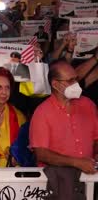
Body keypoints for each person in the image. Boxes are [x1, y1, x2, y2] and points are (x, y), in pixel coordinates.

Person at [29, 60, 98, 191]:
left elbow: (96, 138)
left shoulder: (87, 104)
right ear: (55, 84)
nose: (76, 84)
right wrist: (77, 162)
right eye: (70, 80)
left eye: (76, 79)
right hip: (59, 183)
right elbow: (42, 154)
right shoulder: (42, 112)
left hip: (91, 178)